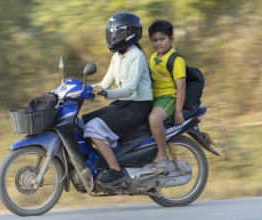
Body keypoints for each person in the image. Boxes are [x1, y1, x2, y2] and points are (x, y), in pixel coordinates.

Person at [79, 12, 153, 187]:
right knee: (81, 122)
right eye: (112, 34)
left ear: (130, 33)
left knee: (93, 127)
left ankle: (116, 170)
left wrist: (105, 94)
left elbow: (130, 89)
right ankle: (102, 159)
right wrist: (84, 90)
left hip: (137, 107)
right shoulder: (117, 56)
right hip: (124, 103)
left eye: (118, 34)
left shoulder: (137, 56)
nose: (114, 37)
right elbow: (105, 82)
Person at [148, 20, 186, 174]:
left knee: (154, 119)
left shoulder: (176, 60)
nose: (158, 43)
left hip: (168, 98)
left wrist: (178, 111)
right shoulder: (153, 58)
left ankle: (163, 156)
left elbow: (181, 86)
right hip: (153, 98)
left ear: (171, 39)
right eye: (154, 40)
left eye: (162, 39)